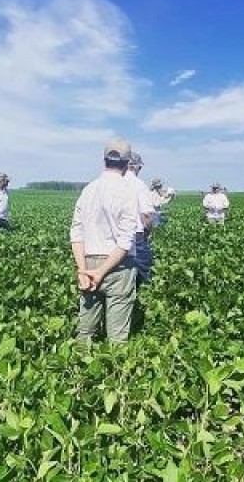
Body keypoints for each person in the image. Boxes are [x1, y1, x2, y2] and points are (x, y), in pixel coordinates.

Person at [70, 138, 139, 344]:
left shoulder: (88, 190)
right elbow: (125, 241)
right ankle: (117, 373)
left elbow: (76, 232)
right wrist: (101, 273)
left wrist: (83, 270)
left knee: (86, 331)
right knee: (117, 337)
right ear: (127, 165)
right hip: (119, 266)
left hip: (88, 262)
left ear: (104, 161)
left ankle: (79, 371)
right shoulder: (128, 191)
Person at [125, 152, 156, 284]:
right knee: (143, 269)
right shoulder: (139, 185)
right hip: (135, 235)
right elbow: (147, 215)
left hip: (112, 236)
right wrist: (148, 232)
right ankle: (143, 295)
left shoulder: (112, 183)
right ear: (135, 167)